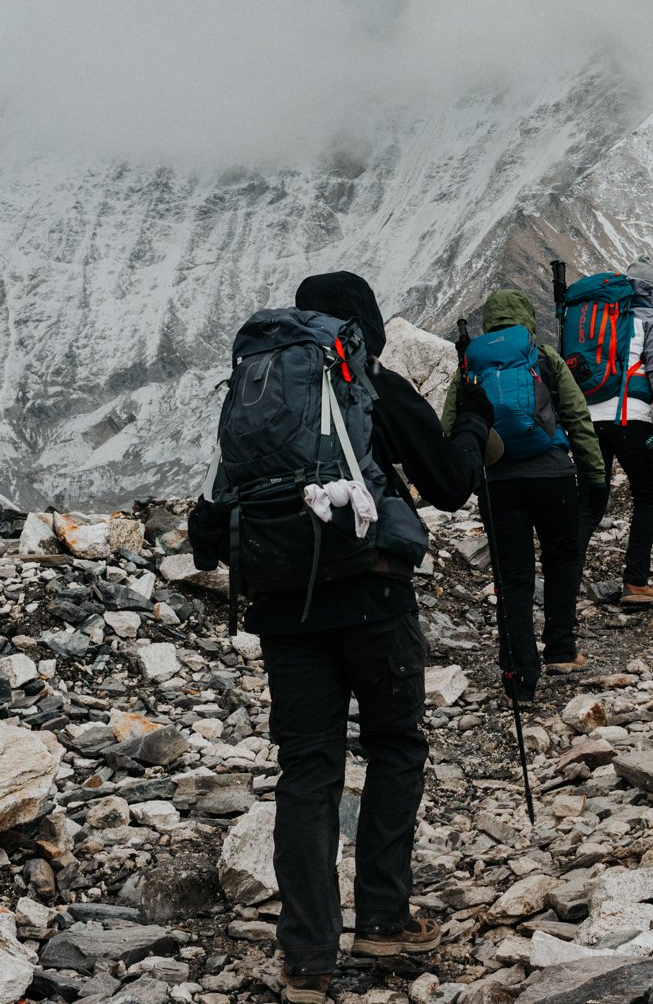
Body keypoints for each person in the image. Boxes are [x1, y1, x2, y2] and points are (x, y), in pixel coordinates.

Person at [187, 270, 488, 999]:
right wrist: (474, 421)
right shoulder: (373, 389)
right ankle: (384, 915)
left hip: (284, 610)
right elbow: (449, 485)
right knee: (395, 744)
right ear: (365, 326)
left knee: (309, 773)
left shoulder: (261, 398)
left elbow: (222, 508)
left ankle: (306, 963)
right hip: (373, 597)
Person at [443, 287, 605, 697]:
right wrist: (596, 477)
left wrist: (468, 477)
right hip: (553, 476)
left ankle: (519, 674)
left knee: (512, 579)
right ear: (527, 318)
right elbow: (577, 417)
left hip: (499, 483)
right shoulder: (543, 356)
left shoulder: (470, 365)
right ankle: (561, 648)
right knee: (562, 559)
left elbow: (449, 429)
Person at [578, 258, 653, 605]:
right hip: (630, 420)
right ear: (652, 293)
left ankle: (563, 579)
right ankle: (636, 581)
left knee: (591, 503)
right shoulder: (650, 322)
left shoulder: (600, 317)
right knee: (647, 496)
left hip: (588, 420)